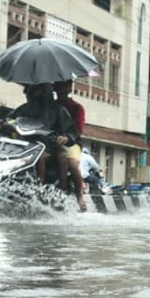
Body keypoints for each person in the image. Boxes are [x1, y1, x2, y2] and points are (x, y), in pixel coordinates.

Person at [0, 83, 77, 189]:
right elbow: (10, 119)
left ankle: (43, 187)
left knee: (53, 155)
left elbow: (72, 132)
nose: (35, 94)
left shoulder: (59, 110)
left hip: (48, 147)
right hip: (23, 146)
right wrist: (2, 122)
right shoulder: (25, 108)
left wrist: (66, 138)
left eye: (40, 91)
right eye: (32, 91)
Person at [54, 81, 87, 211]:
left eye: (64, 87)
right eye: (58, 87)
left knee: (72, 164)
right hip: (51, 142)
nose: (61, 90)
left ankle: (79, 195)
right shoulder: (50, 106)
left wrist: (67, 137)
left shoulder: (77, 108)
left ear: (69, 88)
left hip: (71, 142)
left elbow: (78, 130)